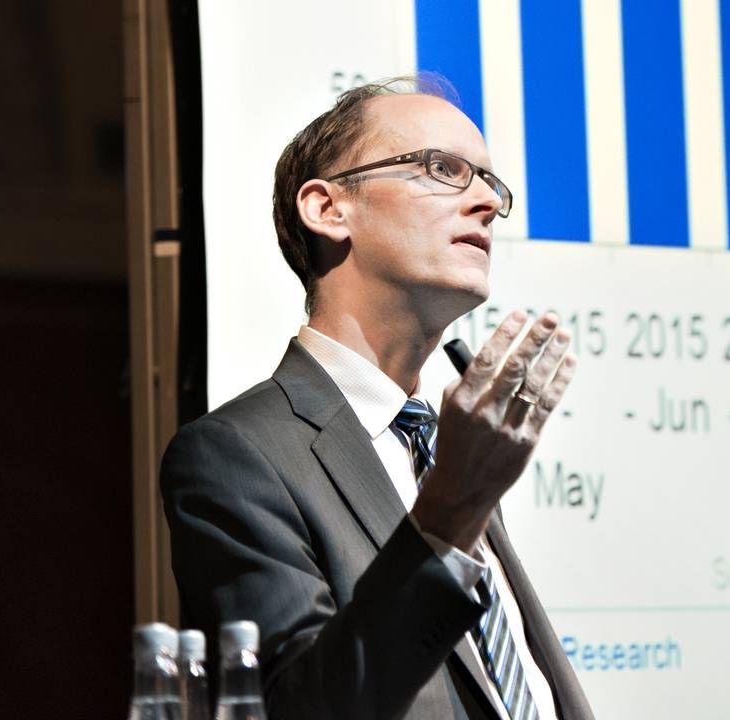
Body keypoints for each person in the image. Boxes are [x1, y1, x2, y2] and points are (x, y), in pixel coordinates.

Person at [161, 76, 594, 720]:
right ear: (328, 208)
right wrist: (449, 515)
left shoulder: (443, 444)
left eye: (490, 184)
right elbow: (304, 709)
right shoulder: (235, 457)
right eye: (442, 169)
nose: (485, 203)